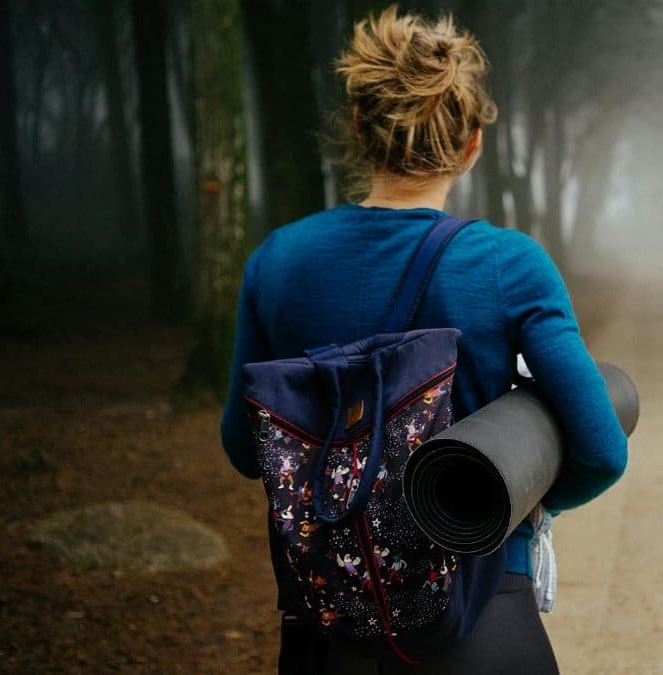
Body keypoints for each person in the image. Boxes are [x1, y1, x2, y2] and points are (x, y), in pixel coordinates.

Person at [218, 6, 628, 673]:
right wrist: (500, 493)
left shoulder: (278, 261)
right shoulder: (510, 265)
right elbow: (602, 449)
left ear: (358, 127)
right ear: (472, 143)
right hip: (482, 619)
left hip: (327, 631)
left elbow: (245, 448)